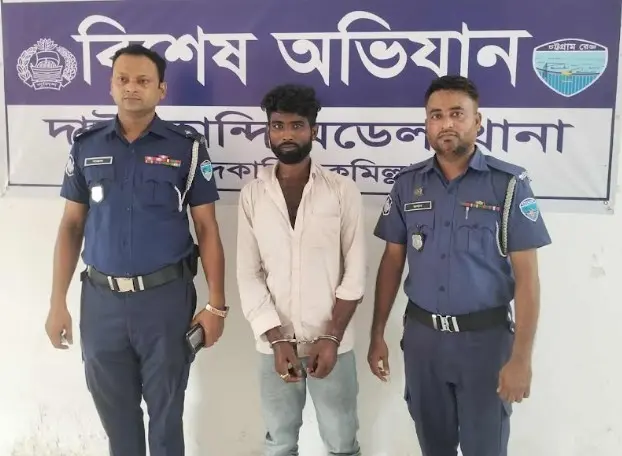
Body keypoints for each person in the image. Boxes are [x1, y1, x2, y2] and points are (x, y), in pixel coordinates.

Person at [44, 44, 227, 456]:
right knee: (118, 422)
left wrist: (216, 305)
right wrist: (58, 303)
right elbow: (71, 226)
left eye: (143, 80)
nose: (131, 87)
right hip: (101, 303)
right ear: (111, 86)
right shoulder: (86, 145)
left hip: (165, 303)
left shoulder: (186, 147)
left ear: (161, 90)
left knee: (166, 419)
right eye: (122, 79)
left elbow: (207, 227)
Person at [368, 75, 552, 456]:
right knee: (433, 447)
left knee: (484, 448)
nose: (446, 124)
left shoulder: (509, 185)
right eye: (436, 115)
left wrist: (521, 358)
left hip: (484, 344)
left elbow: (528, 279)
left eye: (457, 114)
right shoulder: (407, 185)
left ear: (477, 121)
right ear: (426, 123)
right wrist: (377, 333)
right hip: (424, 343)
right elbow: (392, 262)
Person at [236, 83, 366, 456]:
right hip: (274, 346)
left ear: (314, 130)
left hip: (333, 344)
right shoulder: (253, 194)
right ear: (268, 131)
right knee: (279, 443)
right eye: (278, 126)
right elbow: (248, 274)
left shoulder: (341, 190)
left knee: (342, 443)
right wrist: (277, 341)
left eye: (297, 125)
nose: (287, 135)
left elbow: (355, 272)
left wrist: (332, 337)